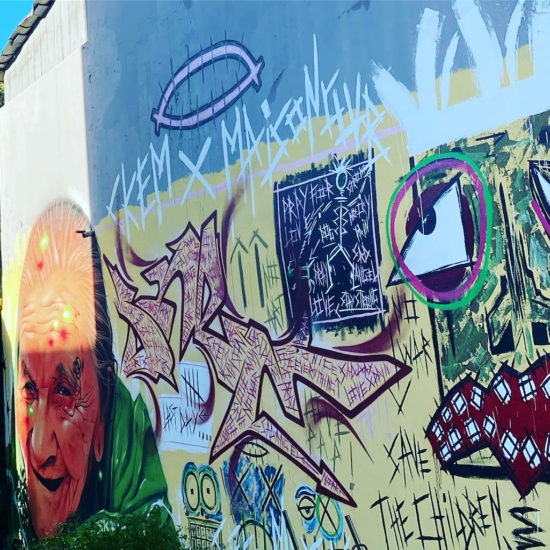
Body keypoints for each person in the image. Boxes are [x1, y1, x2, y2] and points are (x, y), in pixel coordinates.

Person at [15, 201, 170, 538]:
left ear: (105, 396)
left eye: (64, 392)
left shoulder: (131, 447)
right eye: (29, 389)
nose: (40, 448)